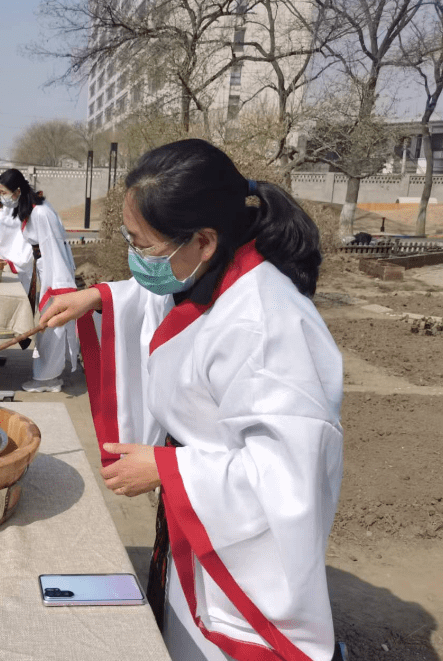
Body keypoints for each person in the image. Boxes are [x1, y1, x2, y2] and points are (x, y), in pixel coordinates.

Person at [40, 139, 344, 661]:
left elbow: (290, 474)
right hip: (202, 510)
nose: (136, 257)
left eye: (143, 245)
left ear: (203, 240)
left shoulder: (267, 325)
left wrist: (167, 470)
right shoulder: (216, 270)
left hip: (238, 539)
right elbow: (166, 295)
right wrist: (102, 296)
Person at [0, 168, 79, 393]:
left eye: (4, 192)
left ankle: (48, 378)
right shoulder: (31, 208)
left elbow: (52, 246)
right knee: (47, 326)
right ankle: (46, 374)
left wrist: (57, 285)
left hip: (53, 271)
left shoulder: (41, 213)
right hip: (43, 267)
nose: (2, 196)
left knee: (51, 325)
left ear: (17, 191)